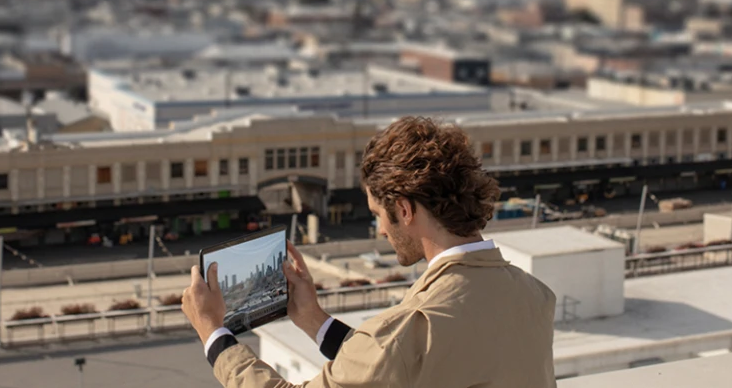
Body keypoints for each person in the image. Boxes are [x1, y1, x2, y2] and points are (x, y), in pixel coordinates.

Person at [183, 116, 557, 387]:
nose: (380, 229)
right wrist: (315, 320)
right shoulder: (534, 295)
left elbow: (393, 357)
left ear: (405, 210)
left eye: (379, 214)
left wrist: (214, 332)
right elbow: (400, 369)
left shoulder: (412, 326)